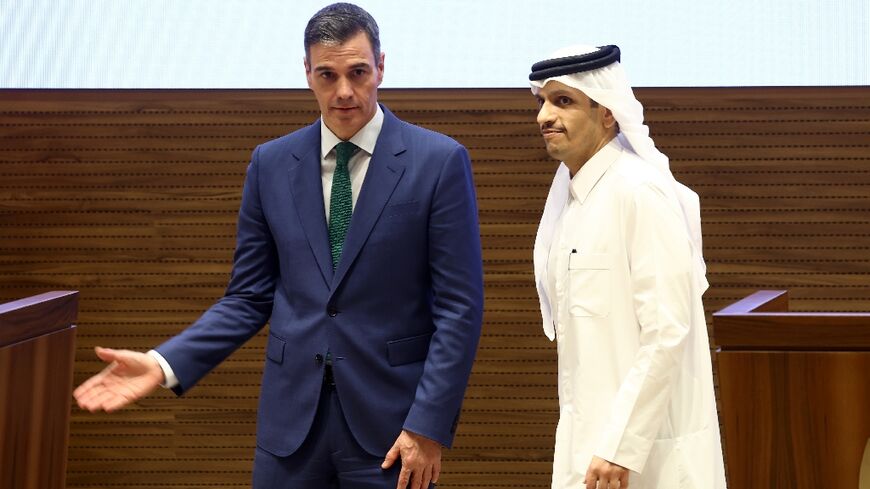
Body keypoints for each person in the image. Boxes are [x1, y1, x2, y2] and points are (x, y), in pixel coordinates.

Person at [74, 4, 484, 489]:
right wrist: (165, 363)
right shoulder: (270, 164)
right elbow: (248, 298)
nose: (344, 92)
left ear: (381, 67)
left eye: (358, 72)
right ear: (307, 73)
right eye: (327, 75)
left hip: (394, 431)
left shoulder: (438, 161)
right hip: (290, 434)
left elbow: (460, 308)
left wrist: (428, 425)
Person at [529, 45, 727, 489]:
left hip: (644, 456)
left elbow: (666, 331)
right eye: (541, 102)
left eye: (563, 101)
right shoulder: (574, 199)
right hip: (591, 450)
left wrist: (620, 445)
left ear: (607, 114)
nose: (544, 117)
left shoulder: (639, 192)